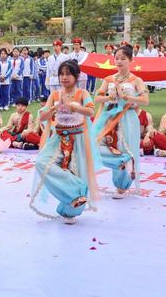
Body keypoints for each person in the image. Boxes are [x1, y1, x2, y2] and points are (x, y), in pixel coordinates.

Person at [30, 61, 101, 224]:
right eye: (61, 74)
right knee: (41, 162)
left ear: (76, 76)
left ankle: (70, 209)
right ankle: (77, 189)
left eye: (68, 74)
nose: (64, 77)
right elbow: (42, 116)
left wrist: (73, 106)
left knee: (76, 170)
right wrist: (55, 108)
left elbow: (91, 111)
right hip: (58, 138)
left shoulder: (82, 93)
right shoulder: (54, 95)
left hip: (78, 138)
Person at [94, 45, 149, 198]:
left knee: (124, 147)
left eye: (123, 58)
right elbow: (97, 98)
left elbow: (145, 100)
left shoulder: (136, 80)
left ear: (131, 60)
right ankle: (124, 162)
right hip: (110, 117)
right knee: (98, 145)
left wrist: (126, 98)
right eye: (116, 58)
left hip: (128, 118)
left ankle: (122, 186)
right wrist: (109, 98)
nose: (119, 61)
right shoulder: (109, 79)